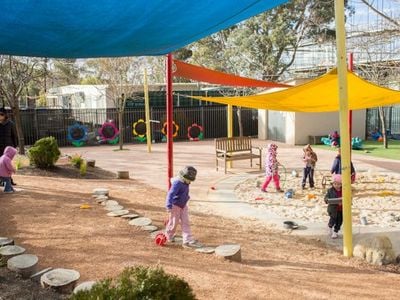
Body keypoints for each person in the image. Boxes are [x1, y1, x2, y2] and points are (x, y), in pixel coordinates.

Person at [165, 166, 200, 248]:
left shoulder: (186, 182)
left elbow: (184, 192)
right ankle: (169, 235)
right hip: (175, 206)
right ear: (183, 177)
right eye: (189, 180)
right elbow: (170, 194)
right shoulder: (177, 183)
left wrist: (187, 197)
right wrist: (168, 205)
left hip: (183, 205)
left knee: (185, 222)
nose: (190, 182)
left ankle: (187, 239)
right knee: (174, 222)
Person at [0, 107, 18, 186]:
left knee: (8, 165)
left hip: (8, 148)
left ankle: (9, 180)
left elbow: (14, 136)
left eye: (1, 114)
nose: (0, 116)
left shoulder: (10, 124)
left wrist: (14, 146)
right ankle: (1, 181)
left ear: (5, 115)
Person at [324, 174, 343, 239]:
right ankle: (330, 227)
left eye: (339, 184)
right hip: (333, 209)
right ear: (332, 183)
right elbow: (326, 198)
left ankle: (335, 232)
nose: (337, 185)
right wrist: (327, 200)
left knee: (339, 221)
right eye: (335, 184)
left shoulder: (344, 190)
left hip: (341, 209)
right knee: (333, 219)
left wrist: (342, 201)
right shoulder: (330, 190)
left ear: (341, 184)